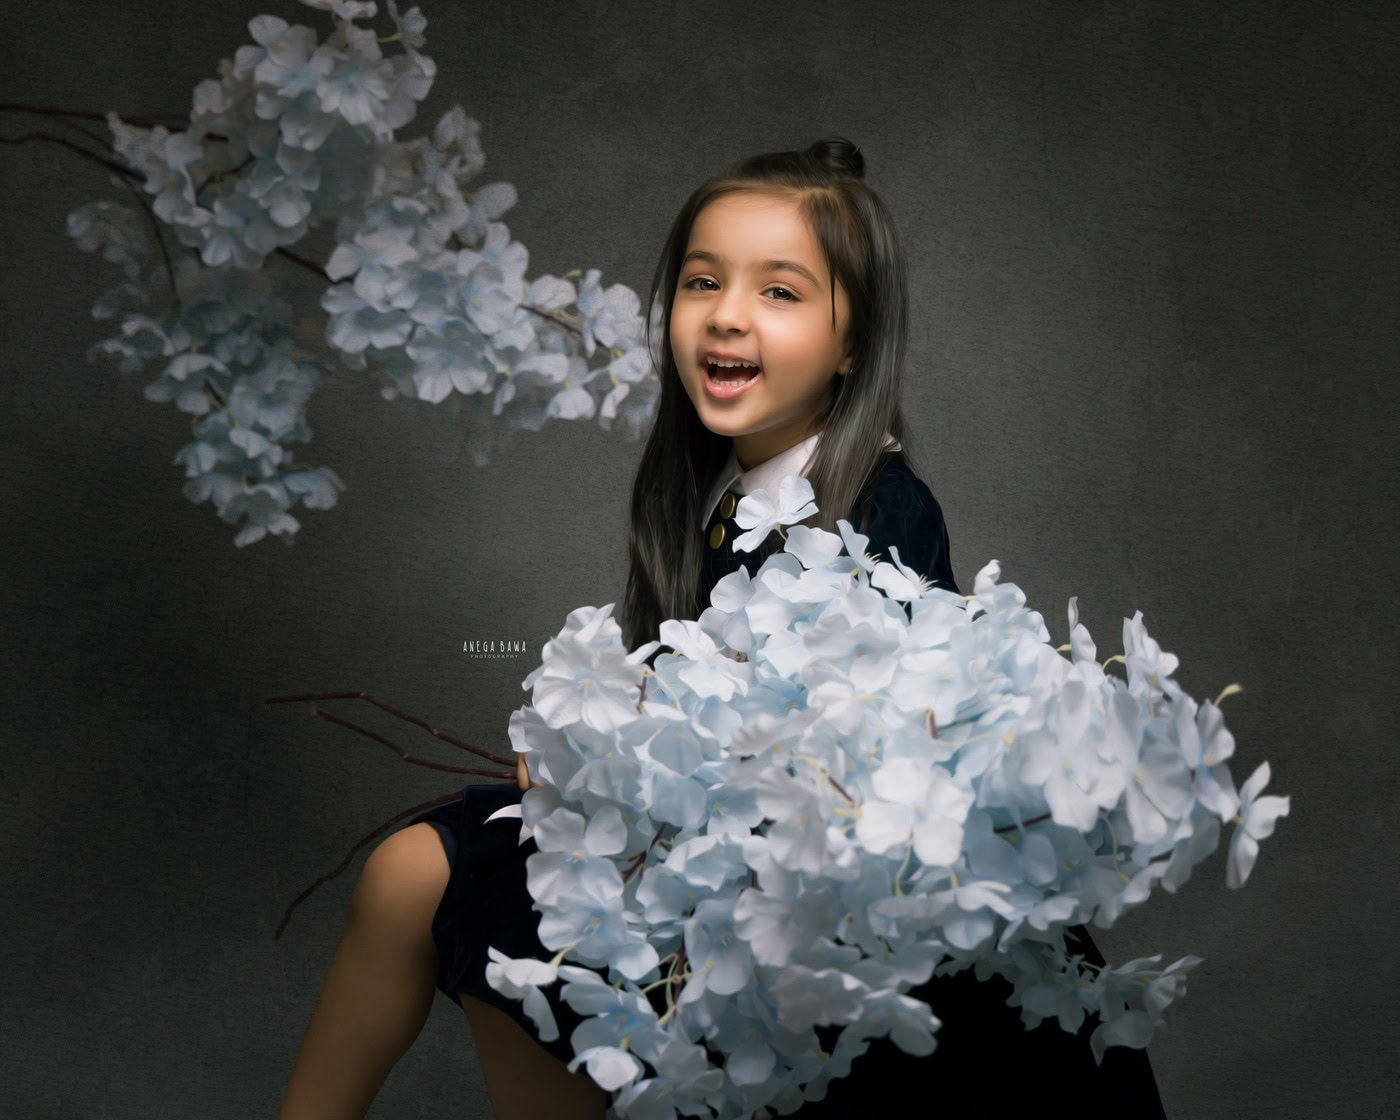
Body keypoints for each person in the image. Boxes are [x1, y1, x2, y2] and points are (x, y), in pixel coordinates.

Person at [280, 136, 1167, 1119]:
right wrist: (597, 748)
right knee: (411, 871)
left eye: (780, 292)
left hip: (834, 913)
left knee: (506, 913)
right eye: (703, 282)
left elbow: (855, 762)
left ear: (853, 345)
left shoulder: (878, 514)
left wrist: (605, 763)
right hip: (703, 855)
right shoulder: (721, 498)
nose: (727, 314)